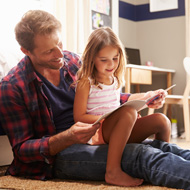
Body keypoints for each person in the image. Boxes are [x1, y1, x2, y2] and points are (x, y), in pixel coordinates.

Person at [0, 10, 190, 189]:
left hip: (100, 133)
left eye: (59, 44)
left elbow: (103, 98)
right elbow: (22, 150)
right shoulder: (13, 87)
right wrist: (66, 137)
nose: (60, 55)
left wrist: (142, 98)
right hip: (62, 153)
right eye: (49, 51)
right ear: (26, 51)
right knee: (142, 154)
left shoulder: (73, 62)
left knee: (164, 148)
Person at [73, 27, 170, 187]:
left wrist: (149, 98)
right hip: (98, 132)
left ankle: (162, 163)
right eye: (104, 60)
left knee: (162, 121)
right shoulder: (86, 82)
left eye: (115, 58)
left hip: (119, 128)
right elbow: (79, 117)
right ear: (92, 59)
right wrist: (109, 118)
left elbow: (119, 106)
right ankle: (112, 171)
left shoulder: (116, 80)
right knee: (128, 113)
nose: (111, 64)